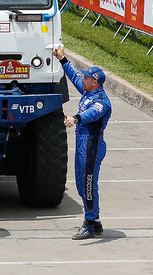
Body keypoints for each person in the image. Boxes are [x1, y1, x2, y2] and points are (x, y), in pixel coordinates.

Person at [52, 48, 112, 240]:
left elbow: (92, 114)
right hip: (82, 143)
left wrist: (76, 118)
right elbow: (74, 76)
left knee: (87, 184)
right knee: (80, 183)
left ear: (95, 82)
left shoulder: (102, 101)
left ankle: (89, 223)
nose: (83, 80)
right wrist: (62, 59)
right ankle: (95, 220)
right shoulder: (88, 90)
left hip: (92, 145)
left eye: (86, 78)